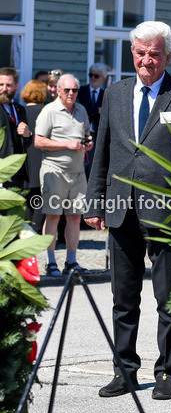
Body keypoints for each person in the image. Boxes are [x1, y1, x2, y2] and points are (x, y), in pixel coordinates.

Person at [85, 21, 171, 401]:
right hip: (120, 208)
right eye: (140, 53)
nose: (147, 60)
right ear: (132, 53)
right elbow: (102, 150)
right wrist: (95, 200)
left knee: (168, 296)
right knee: (124, 296)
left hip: (167, 211)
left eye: (154, 53)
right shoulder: (116, 94)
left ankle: (167, 372)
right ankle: (125, 370)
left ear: (167, 55)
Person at [34, 74, 92, 276]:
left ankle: (71, 261)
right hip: (54, 170)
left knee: (75, 217)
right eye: (67, 90)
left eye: (74, 90)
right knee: (53, 216)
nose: (71, 94)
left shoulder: (81, 110)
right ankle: (50, 263)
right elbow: (38, 142)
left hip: (77, 172)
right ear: (58, 90)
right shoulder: (49, 111)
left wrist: (88, 142)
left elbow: (86, 134)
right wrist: (66, 144)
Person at [20, 79, 47, 233]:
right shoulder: (46, 111)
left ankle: (25, 231)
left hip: (25, 160)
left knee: (27, 199)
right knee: (39, 199)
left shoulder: (20, 111)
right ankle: (35, 229)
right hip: (41, 159)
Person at [0, 67, 32, 190]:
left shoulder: (20, 109)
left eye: (8, 85)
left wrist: (28, 134)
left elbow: (27, 142)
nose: (4, 89)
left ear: (16, 86)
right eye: (1, 84)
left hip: (18, 172)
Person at [81, 63, 106, 131]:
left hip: (98, 132)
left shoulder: (106, 95)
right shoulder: (81, 91)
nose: (92, 78)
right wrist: (97, 110)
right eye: (91, 75)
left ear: (103, 78)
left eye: (96, 76)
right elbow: (81, 109)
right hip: (83, 130)